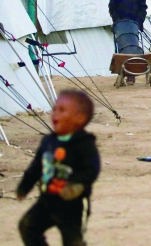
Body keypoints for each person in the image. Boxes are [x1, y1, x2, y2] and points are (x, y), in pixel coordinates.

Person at [17, 90, 100, 246]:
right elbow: (36, 166)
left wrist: (75, 184)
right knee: (27, 227)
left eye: (62, 111)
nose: (55, 114)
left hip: (70, 204)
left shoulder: (84, 144)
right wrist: (24, 187)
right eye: (54, 109)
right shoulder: (48, 142)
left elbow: (92, 169)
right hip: (46, 200)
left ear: (79, 118)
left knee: (72, 241)